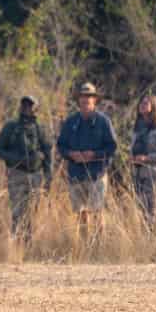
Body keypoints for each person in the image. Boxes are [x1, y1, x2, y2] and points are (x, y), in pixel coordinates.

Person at [56, 82, 117, 238]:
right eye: (83, 99)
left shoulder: (104, 122)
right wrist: (71, 154)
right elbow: (61, 146)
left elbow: (112, 147)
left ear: (94, 101)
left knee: (97, 212)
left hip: (97, 174)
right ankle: (84, 247)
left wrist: (94, 155)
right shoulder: (70, 122)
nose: (86, 102)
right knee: (80, 213)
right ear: (79, 101)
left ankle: (99, 248)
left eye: (89, 99)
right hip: (76, 174)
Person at [0, 95, 52, 238]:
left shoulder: (40, 128)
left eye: (30, 105)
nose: (26, 108)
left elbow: (47, 152)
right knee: (17, 211)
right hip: (17, 174)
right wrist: (15, 159)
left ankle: (30, 244)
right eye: (24, 105)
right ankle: (17, 245)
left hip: (36, 175)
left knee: (33, 211)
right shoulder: (11, 127)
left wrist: (48, 176)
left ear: (35, 109)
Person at [130, 93, 156, 228]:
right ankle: (145, 237)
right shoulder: (138, 126)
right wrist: (132, 157)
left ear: (153, 106)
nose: (142, 106)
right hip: (138, 172)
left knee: (150, 206)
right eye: (141, 103)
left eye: (146, 103)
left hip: (155, 172)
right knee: (141, 207)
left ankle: (154, 238)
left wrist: (147, 158)